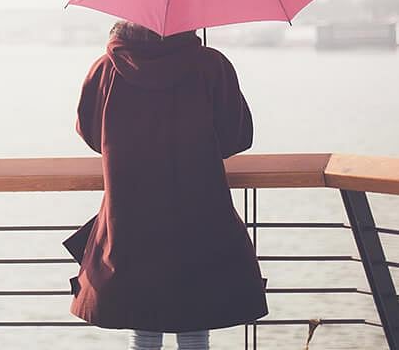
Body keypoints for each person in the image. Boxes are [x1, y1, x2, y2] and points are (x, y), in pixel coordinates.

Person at [64, 21, 268, 350]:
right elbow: (236, 138)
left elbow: (91, 134)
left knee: (143, 328)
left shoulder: (105, 69)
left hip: (128, 214)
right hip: (199, 210)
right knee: (195, 326)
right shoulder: (210, 65)